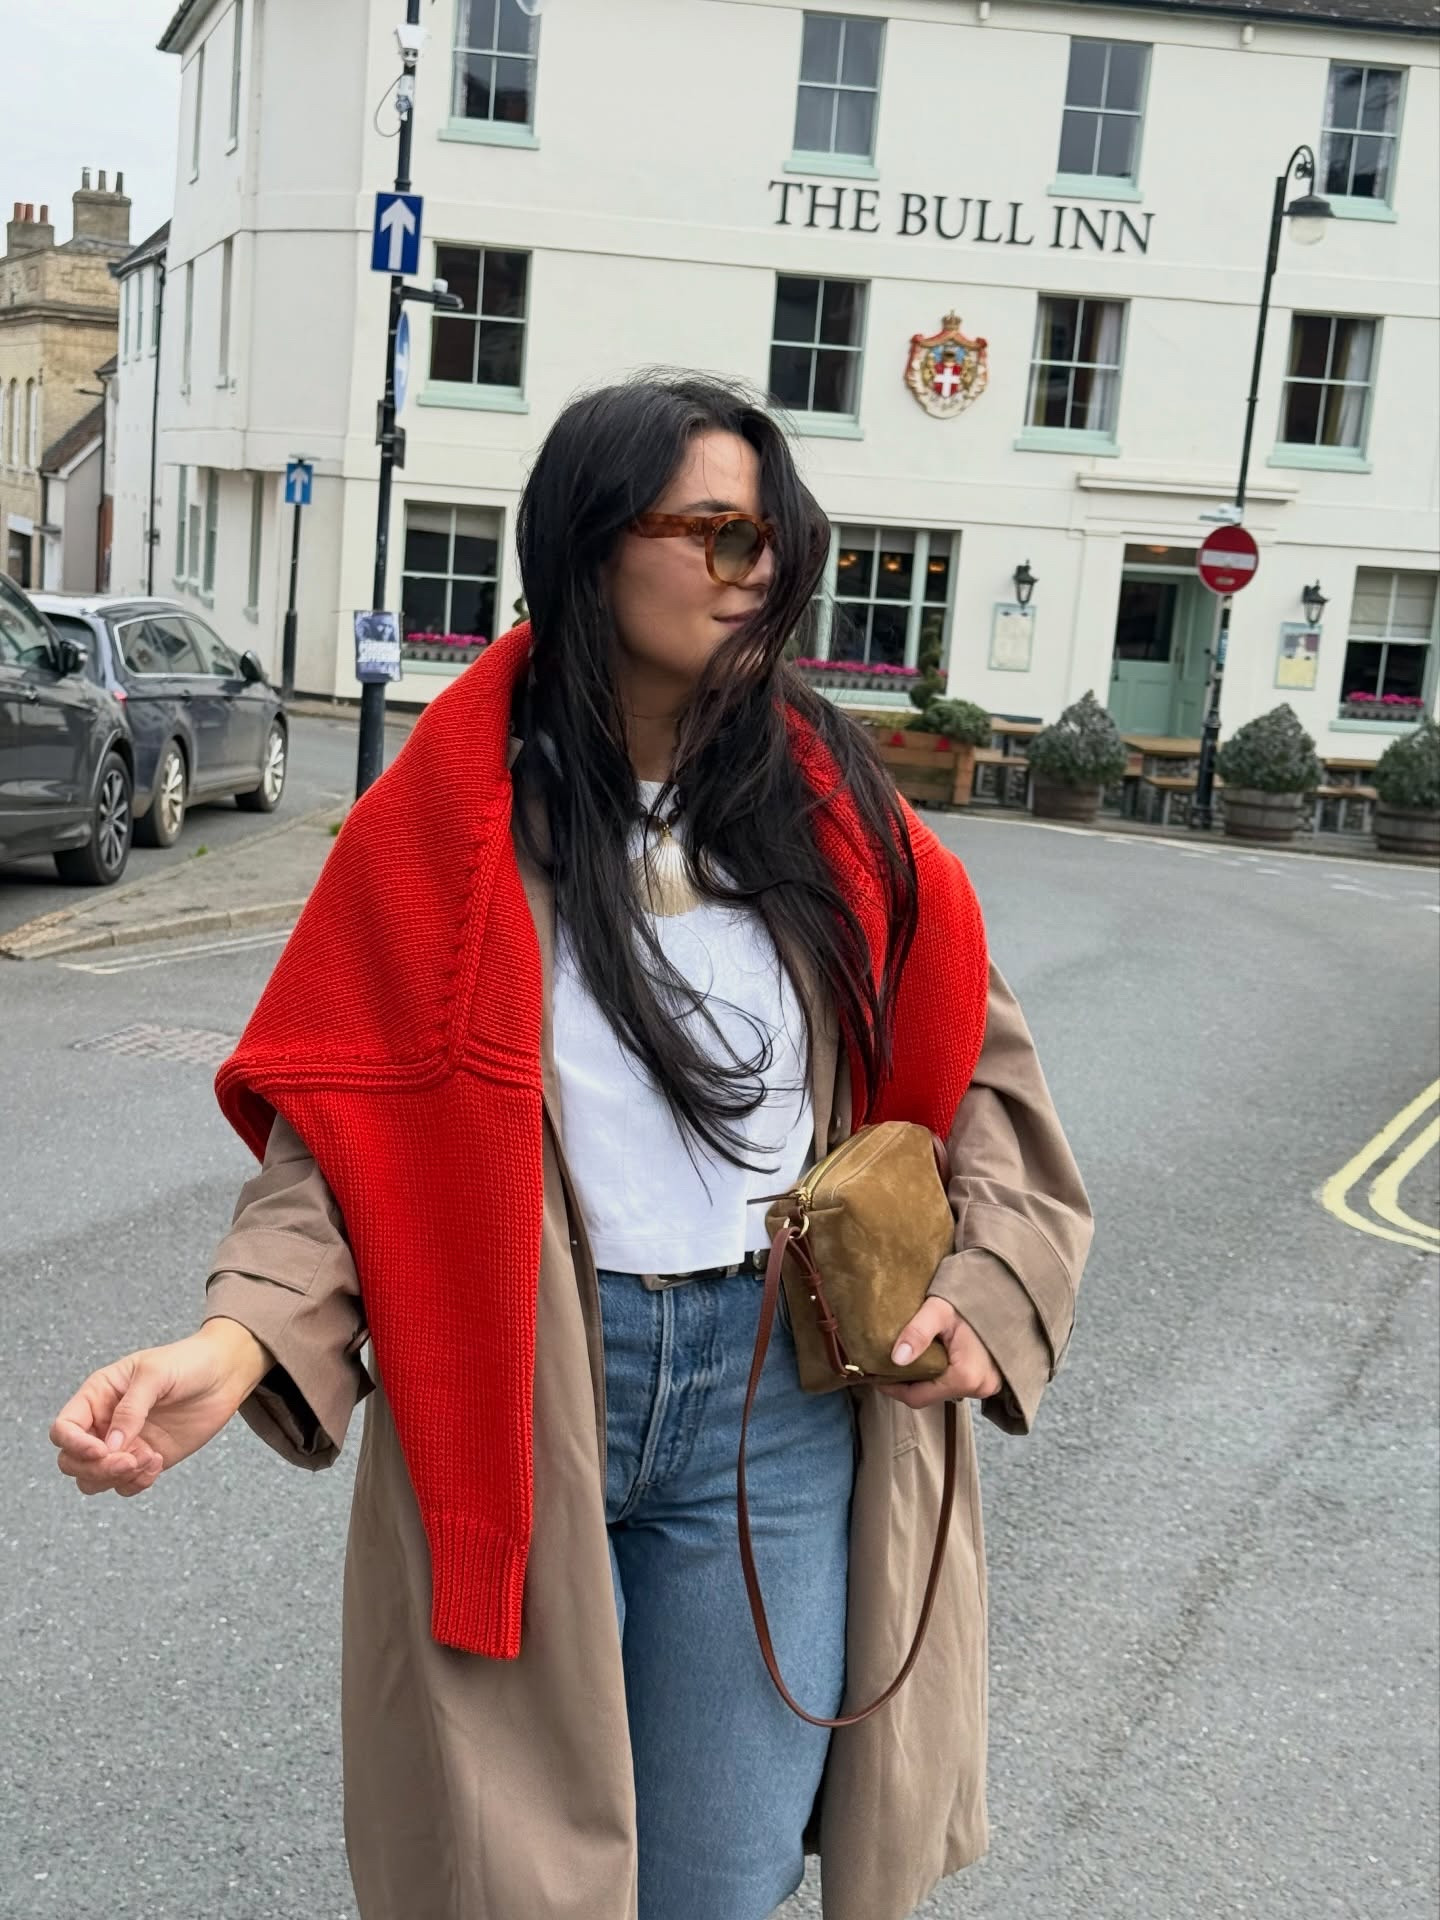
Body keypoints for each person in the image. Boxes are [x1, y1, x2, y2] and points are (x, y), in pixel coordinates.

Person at [50, 372, 1091, 1920]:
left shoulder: (844, 819)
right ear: (595, 545)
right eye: (717, 530)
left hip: (774, 1402)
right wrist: (237, 1340)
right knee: (516, 1880)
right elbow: (353, 1145)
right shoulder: (451, 824)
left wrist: (992, 1296)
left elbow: (983, 1096)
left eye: (776, 535)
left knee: (721, 1885)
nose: (759, 568)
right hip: (525, 1386)